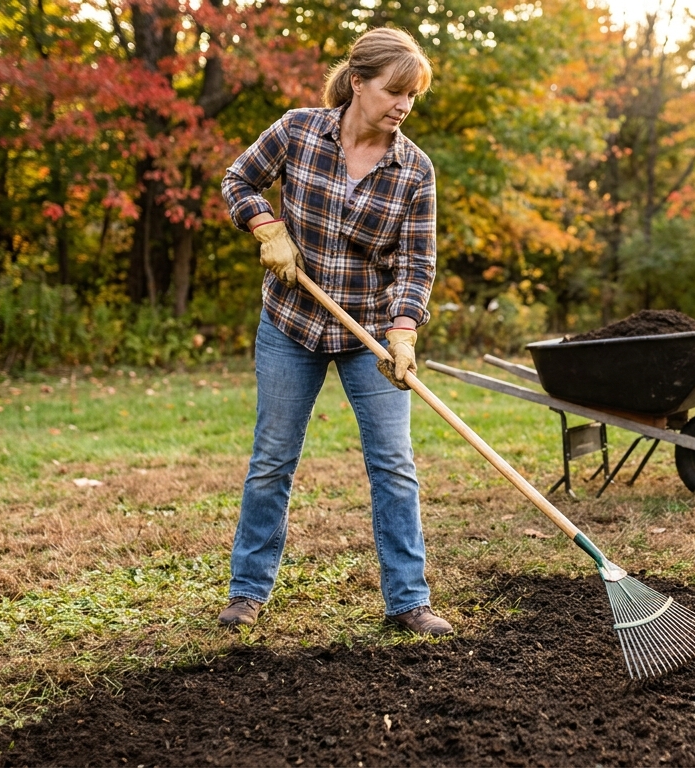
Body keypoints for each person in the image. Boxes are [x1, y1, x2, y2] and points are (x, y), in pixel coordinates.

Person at [216, 27, 450, 636]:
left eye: (413, 96)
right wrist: (267, 227)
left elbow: (415, 262)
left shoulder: (414, 170)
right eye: (394, 90)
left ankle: (408, 601)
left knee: (394, 465)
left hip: (367, 333)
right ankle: (247, 591)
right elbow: (237, 180)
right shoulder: (298, 130)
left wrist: (403, 332)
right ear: (357, 83)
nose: (403, 105)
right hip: (290, 325)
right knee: (272, 459)